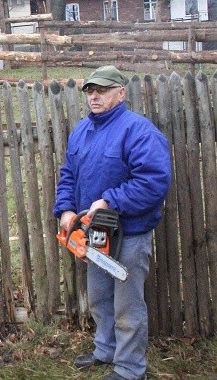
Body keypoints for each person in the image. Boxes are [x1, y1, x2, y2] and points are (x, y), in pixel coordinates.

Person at [53, 66, 171, 380]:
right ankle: (105, 349)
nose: (94, 95)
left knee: (127, 304)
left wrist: (109, 201)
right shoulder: (81, 130)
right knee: (99, 295)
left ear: (121, 92)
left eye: (102, 90)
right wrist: (65, 209)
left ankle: (131, 368)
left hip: (129, 232)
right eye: (91, 90)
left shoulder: (139, 131)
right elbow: (68, 175)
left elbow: (153, 182)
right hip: (94, 232)